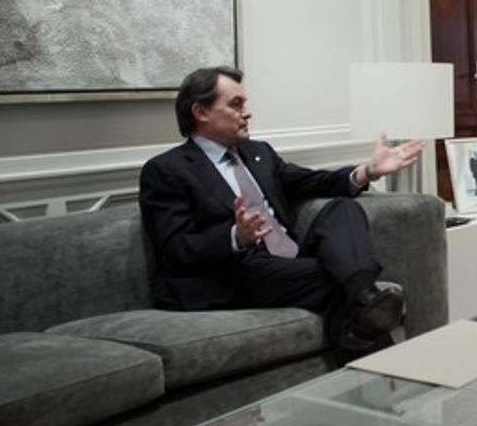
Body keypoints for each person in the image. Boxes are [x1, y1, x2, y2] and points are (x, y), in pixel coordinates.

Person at [139, 66, 424, 360]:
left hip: (287, 262)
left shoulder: (257, 152)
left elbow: (312, 181)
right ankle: (380, 352)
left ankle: (364, 303)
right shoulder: (167, 170)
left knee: (343, 209)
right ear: (201, 112)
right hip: (236, 272)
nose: (247, 113)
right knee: (337, 278)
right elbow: (174, 249)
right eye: (236, 104)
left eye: (245, 103)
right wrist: (236, 236)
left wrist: (368, 171)